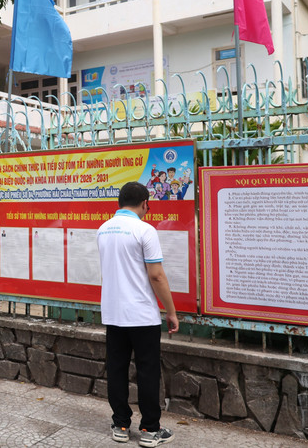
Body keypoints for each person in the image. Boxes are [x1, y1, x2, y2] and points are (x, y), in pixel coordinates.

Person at [97, 182, 179, 446]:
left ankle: (120, 424)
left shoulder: (103, 229)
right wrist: (171, 311)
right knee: (147, 371)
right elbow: (156, 275)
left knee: (117, 370)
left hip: (113, 313)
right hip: (142, 315)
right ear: (144, 203)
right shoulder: (145, 230)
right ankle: (149, 430)